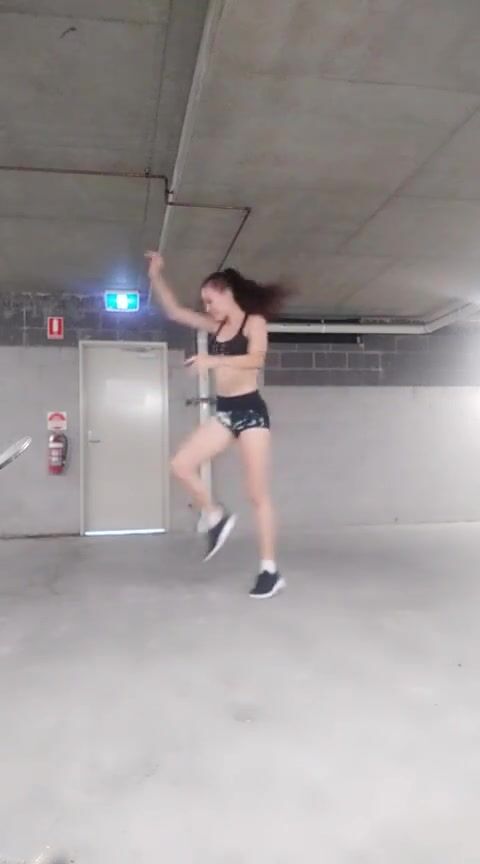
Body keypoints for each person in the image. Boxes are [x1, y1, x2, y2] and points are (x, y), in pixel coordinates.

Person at [146, 251, 287, 599]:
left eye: (211, 301)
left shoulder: (253, 322)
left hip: (251, 412)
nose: (207, 308)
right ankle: (215, 515)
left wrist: (214, 360)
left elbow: (256, 359)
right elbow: (175, 311)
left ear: (227, 293)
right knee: (180, 464)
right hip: (225, 412)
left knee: (257, 494)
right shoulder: (216, 327)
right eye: (205, 303)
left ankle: (269, 570)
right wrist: (155, 276)